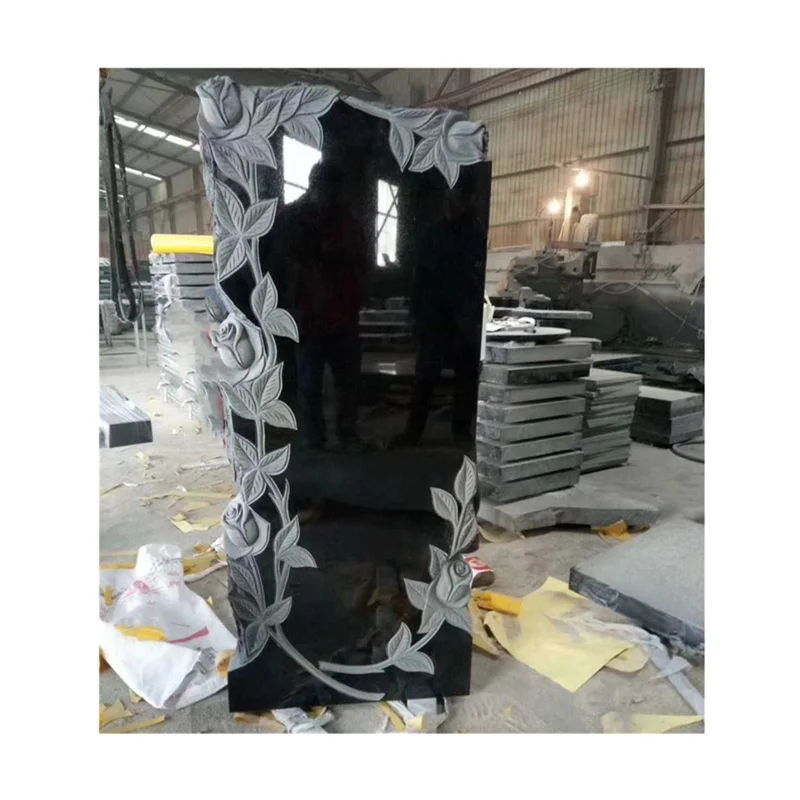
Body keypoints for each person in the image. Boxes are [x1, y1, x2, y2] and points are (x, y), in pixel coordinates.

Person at [284, 161, 370, 451]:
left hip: (343, 313)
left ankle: (347, 434)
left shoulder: (346, 220)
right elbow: (287, 262)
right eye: (326, 190)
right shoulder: (295, 218)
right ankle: (314, 437)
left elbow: (362, 260)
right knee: (309, 382)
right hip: (310, 315)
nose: (331, 197)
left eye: (335, 191)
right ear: (315, 187)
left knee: (348, 381)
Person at [395, 177, 485, 448]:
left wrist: (473, 317)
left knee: (465, 378)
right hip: (435, 316)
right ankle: (413, 432)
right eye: (454, 199)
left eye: (462, 200)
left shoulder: (476, 236)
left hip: (462, 317)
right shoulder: (433, 235)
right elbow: (420, 277)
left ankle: (460, 431)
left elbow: (478, 278)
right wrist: (416, 315)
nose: (457, 205)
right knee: (425, 377)